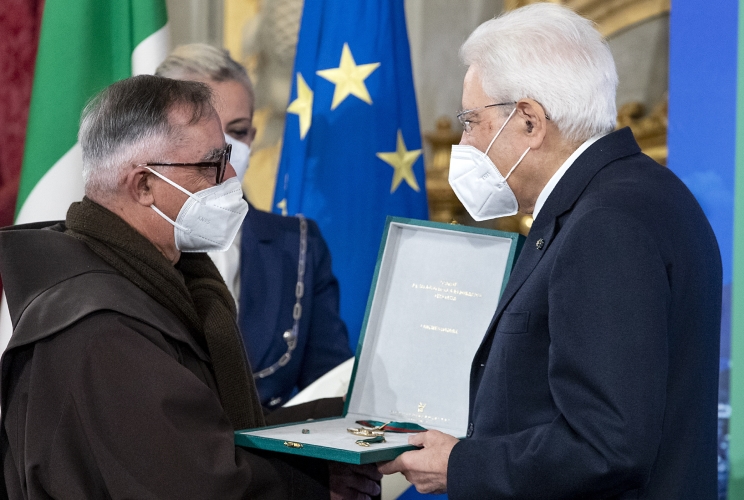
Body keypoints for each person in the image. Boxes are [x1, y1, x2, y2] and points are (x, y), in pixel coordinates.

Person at [380, 4, 722, 499]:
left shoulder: (605, 224)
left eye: (472, 121)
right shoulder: (639, 194)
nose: (464, 142)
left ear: (530, 122)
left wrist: (461, 465)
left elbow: (605, 447)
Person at [0, 75, 379, 499]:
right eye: (211, 164)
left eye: (228, 156)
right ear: (143, 185)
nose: (230, 176)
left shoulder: (160, 277)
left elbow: (212, 426)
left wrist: (354, 421)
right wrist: (318, 485)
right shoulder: (101, 325)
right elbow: (194, 482)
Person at [155, 44, 353, 409]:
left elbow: (332, 387)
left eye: (238, 131)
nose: (224, 148)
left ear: (253, 136)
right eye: (205, 129)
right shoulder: (135, 242)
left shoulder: (299, 245)